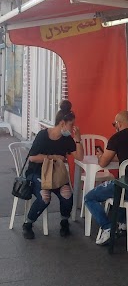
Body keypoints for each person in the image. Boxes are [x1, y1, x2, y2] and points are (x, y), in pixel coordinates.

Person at [84, 110, 128, 245]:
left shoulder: (117, 138)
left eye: (114, 124)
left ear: (119, 124)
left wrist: (100, 157)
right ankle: (124, 223)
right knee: (117, 188)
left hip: (126, 189)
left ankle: (108, 227)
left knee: (89, 197)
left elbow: (103, 163)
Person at [23, 100, 84, 240]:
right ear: (63, 123)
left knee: (67, 194)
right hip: (37, 173)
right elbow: (32, 158)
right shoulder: (43, 135)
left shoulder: (67, 139)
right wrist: (52, 157)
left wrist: (78, 140)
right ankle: (28, 224)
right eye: (71, 124)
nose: (73, 127)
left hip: (56, 175)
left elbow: (79, 156)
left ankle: (64, 221)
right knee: (45, 197)